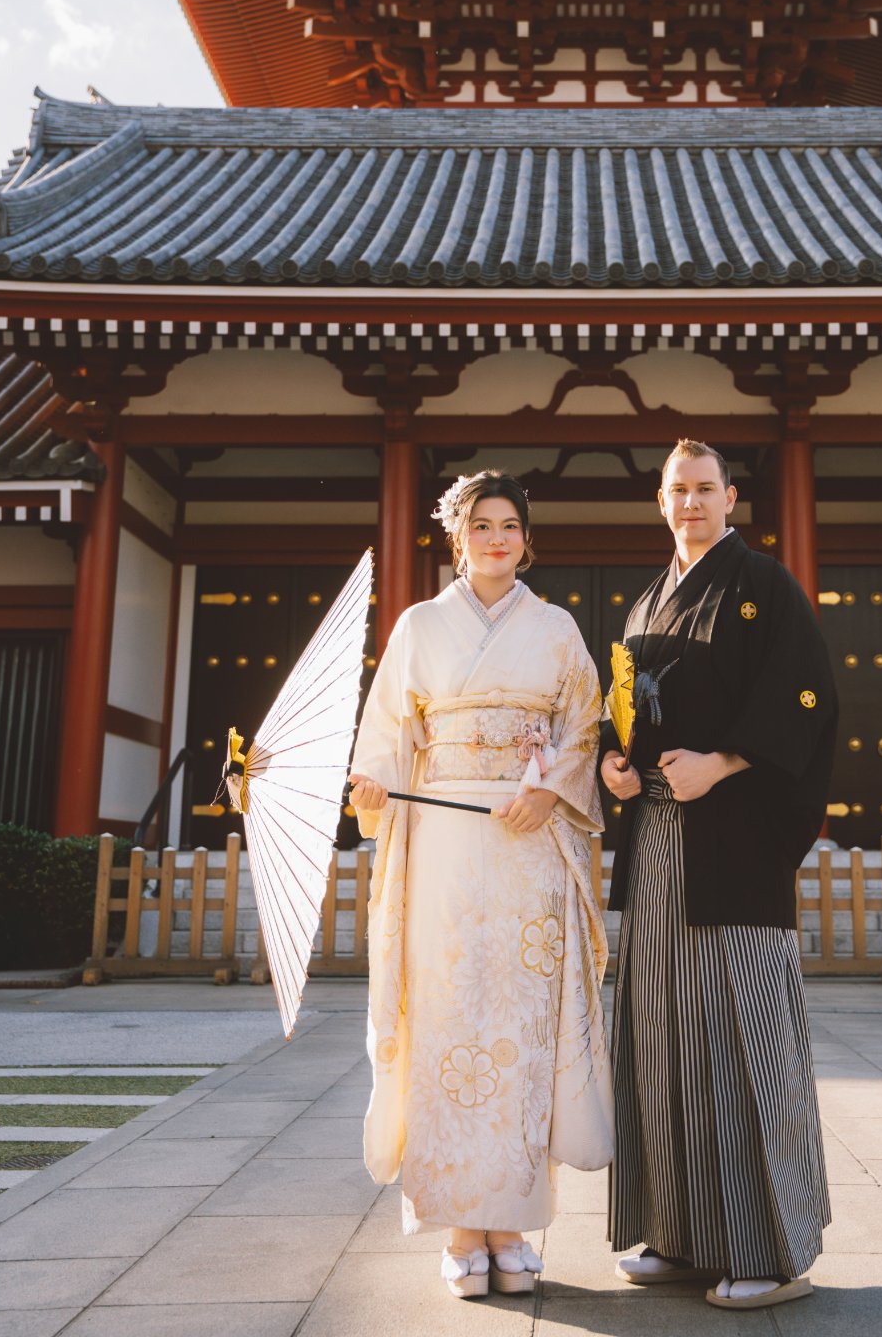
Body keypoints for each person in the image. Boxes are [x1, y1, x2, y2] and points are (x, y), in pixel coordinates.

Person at [348, 469, 614, 1300]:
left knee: (523, 1022)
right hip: (444, 842)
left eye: (509, 526)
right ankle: (463, 1224)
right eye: (481, 525)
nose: (496, 538)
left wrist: (550, 790)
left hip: (528, 841)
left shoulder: (557, 628)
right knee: (448, 1014)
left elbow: (584, 724)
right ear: (455, 536)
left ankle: (515, 1217)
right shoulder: (419, 625)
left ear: (525, 538)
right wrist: (373, 785)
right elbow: (391, 729)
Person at [603, 438, 837, 1312]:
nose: (691, 502)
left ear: (731, 497)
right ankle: (684, 1231)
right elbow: (619, 710)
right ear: (659, 502)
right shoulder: (643, 603)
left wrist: (729, 759)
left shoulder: (762, 587)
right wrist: (614, 767)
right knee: (662, 1038)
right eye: (677, 490)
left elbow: (808, 695)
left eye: (706, 488)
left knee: (744, 1041)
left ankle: (770, 1249)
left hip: (734, 839)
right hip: (659, 838)